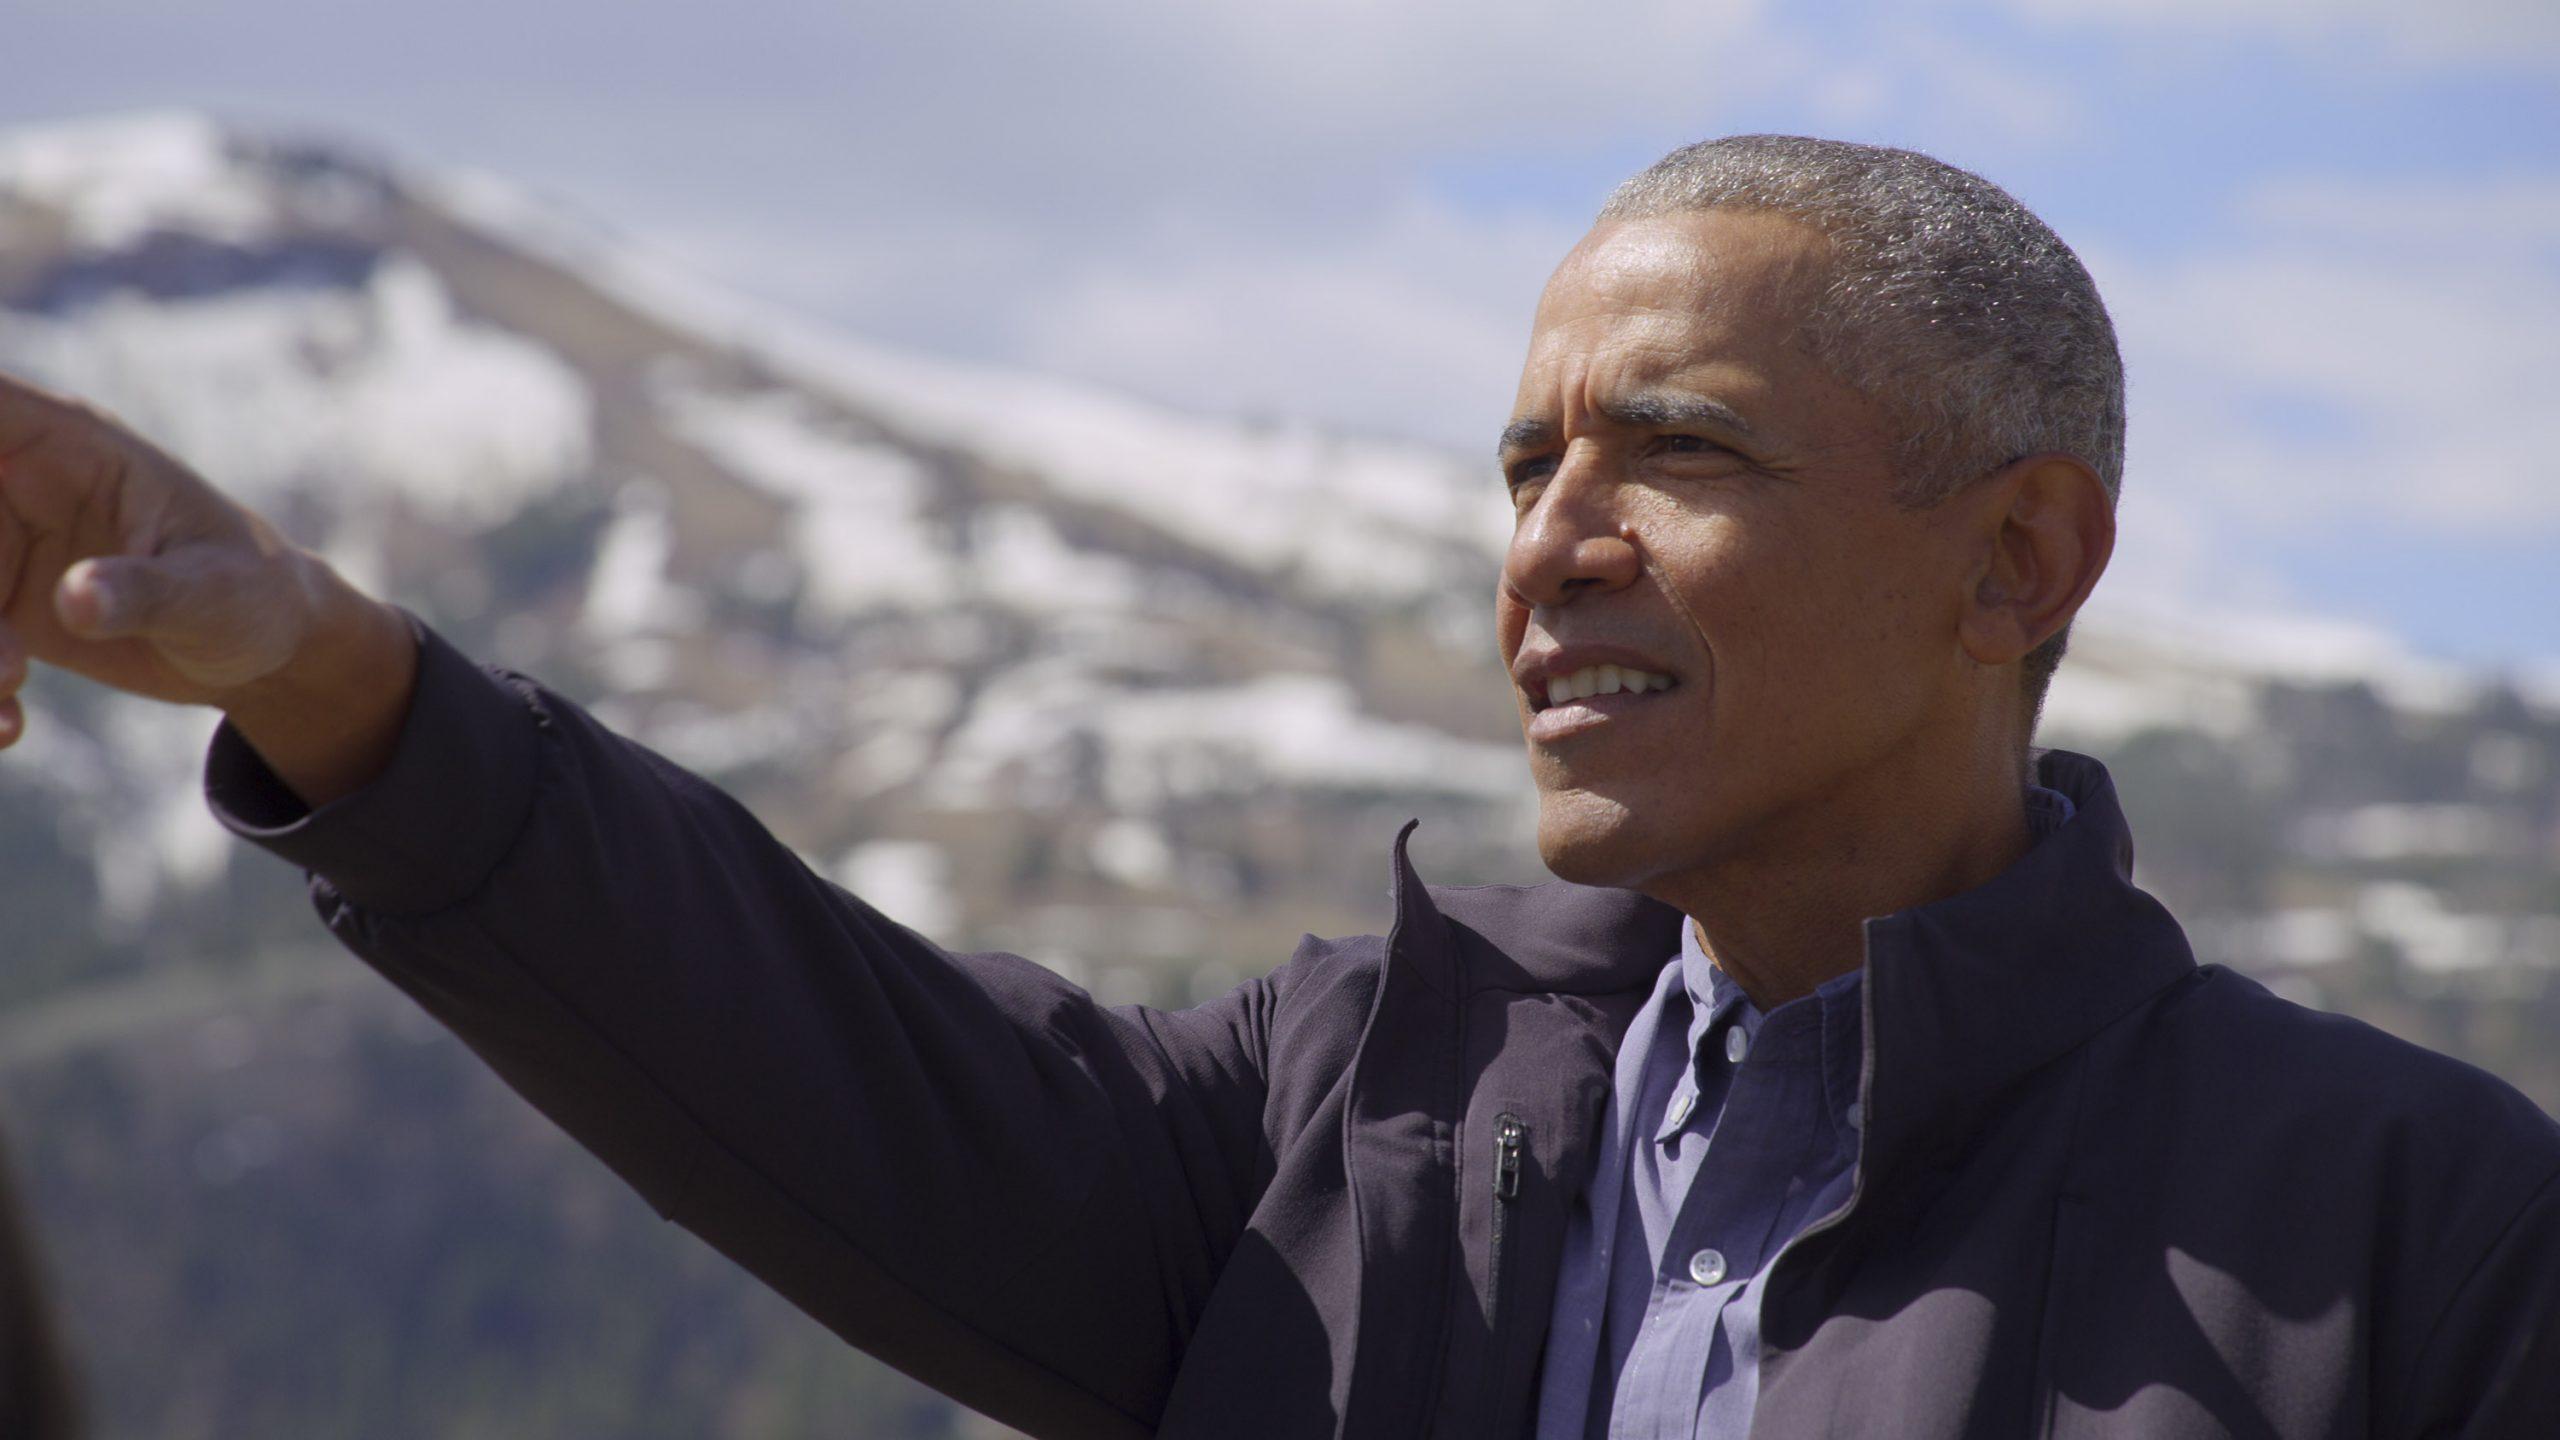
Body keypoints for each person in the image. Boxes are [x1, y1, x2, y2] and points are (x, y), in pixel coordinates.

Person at [0, 135, 2553, 1439]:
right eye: (1518, 461)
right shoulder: (1325, 1133)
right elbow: (760, 1023)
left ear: (2017, 562)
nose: (1547, 541)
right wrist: (326, 668)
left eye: (1667, 446)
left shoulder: (2413, 1238)